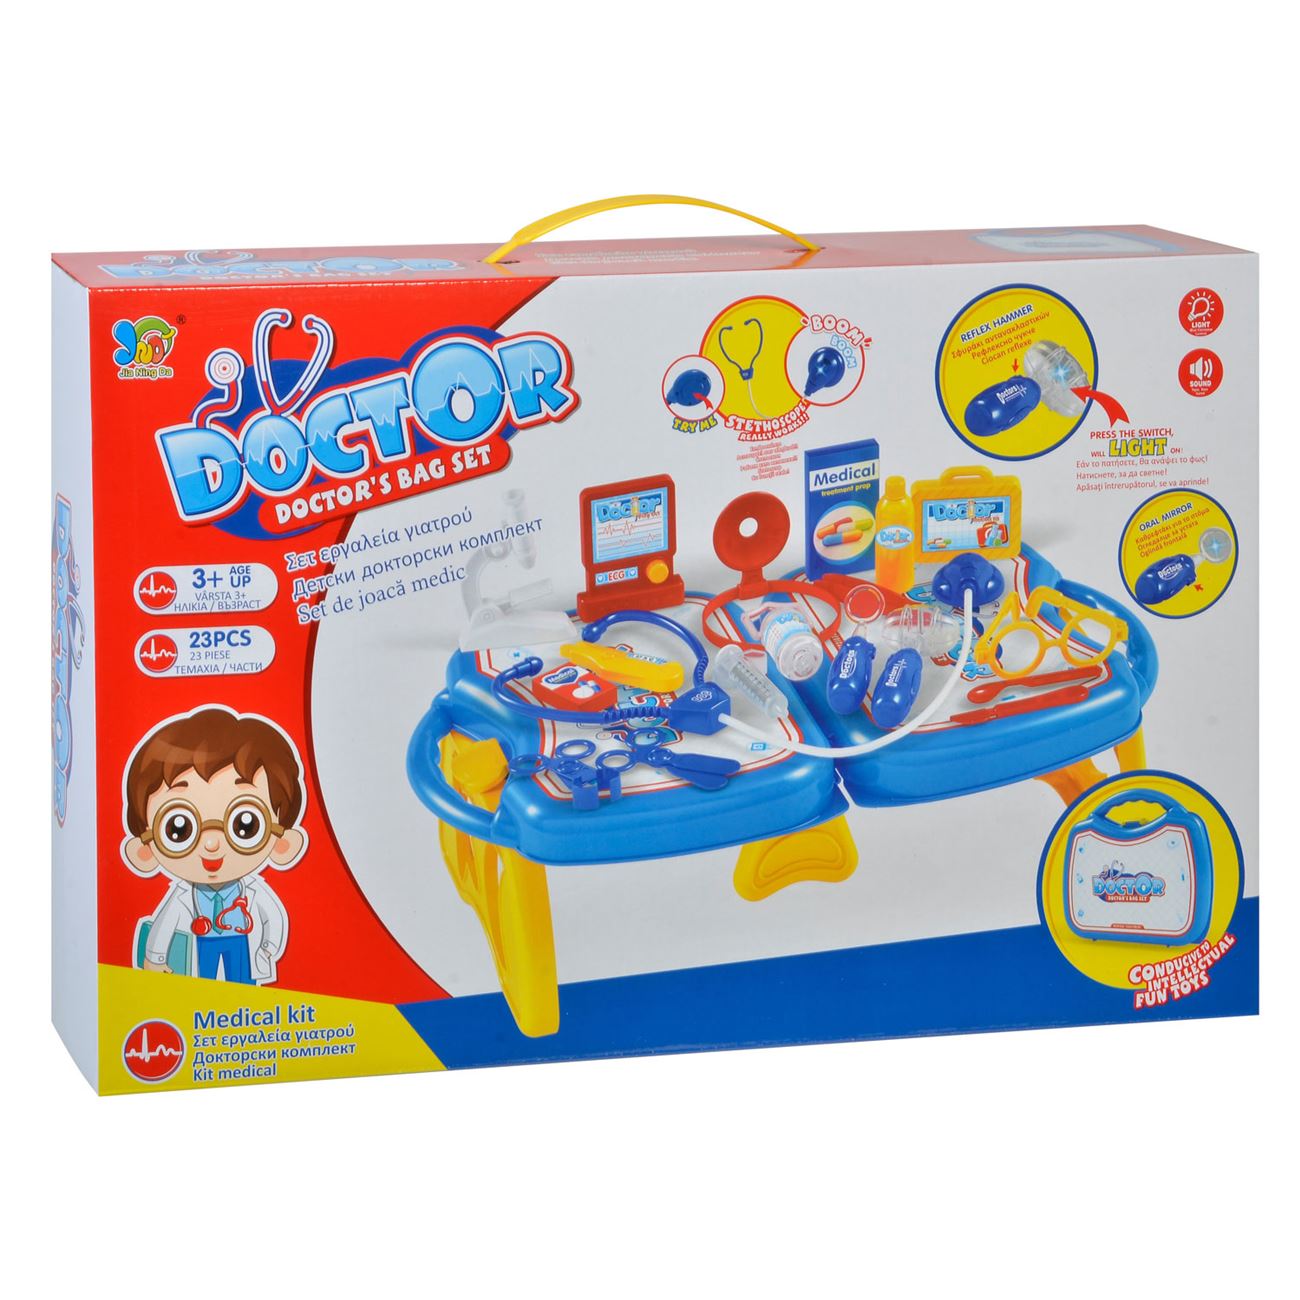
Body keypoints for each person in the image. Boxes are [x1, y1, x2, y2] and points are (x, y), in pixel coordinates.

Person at [122, 707, 307, 985]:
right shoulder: (182, 898)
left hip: (241, 942)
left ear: (282, 844)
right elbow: (164, 925)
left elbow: (272, 918)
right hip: (202, 943)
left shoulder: (254, 893)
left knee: (242, 983)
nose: (211, 844)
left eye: (245, 825)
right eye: (179, 829)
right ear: (145, 850)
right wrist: (156, 959)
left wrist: (268, 948)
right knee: (201, 983)